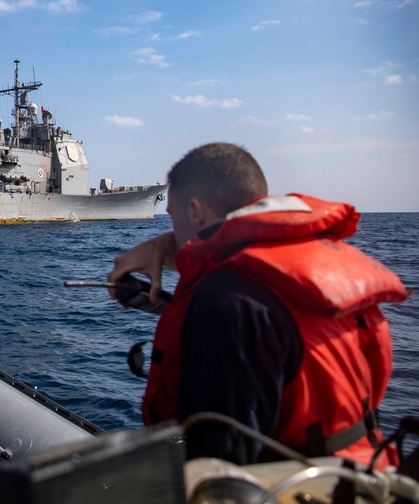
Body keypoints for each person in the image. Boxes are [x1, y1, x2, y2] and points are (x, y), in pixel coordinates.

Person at [107, 142, 409, 467]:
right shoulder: (312, 261)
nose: (173, 230)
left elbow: (219, 464)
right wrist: (163, 245)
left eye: (172, 218)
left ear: (194, 211)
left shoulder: (225, 301)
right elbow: (236, 249)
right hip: (366, 473)